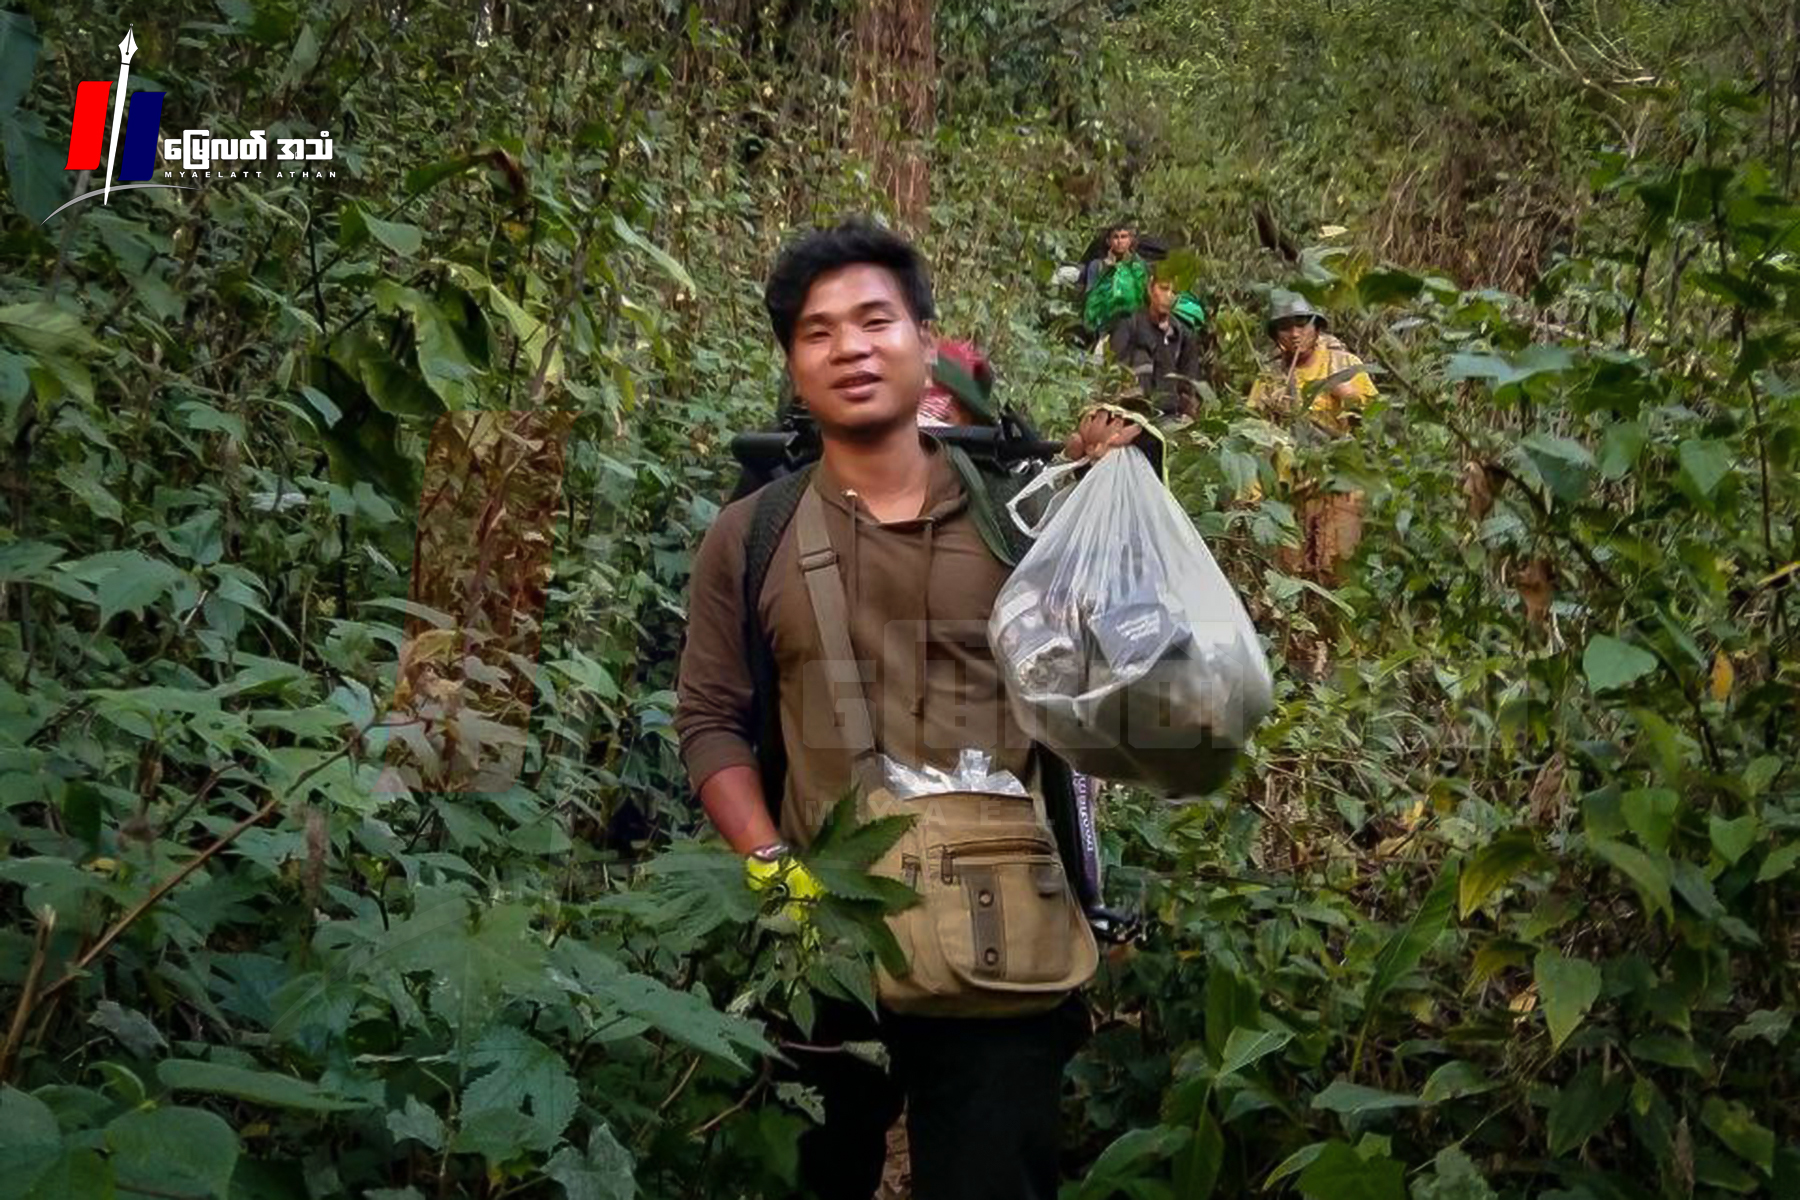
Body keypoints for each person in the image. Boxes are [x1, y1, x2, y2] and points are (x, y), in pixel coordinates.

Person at [674, 219, 1147, 1200]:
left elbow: (1143, 675)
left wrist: (1125, 491)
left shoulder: (1028, 517)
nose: (849, 346)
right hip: (825, 936)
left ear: (925, 341)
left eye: (875, 319)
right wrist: (775, 874)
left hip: (1001, 945)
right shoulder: (749, 536)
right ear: (794, 365)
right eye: (817, 330)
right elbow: (711, 719)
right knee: (816, 1176)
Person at [1247, 290, 1377, 585]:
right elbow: (1251, 438)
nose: (1294, 334)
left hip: (1339, 486)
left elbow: (1378, 421)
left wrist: (1347, 396)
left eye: (1302, 324)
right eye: (1285, 326)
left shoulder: (1342, 364)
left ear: (1317, 326)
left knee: (1337, 569)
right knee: (1290, 575)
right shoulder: (1270, 378)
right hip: (1290, 491)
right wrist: (1251, 495)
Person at [1109, 272, 1203, 420]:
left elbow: (1190, 383)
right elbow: (1113, 370)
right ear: (1150, 288)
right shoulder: (1130, 325)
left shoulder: (1182, 335)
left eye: (1174, 292)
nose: (1169, 296)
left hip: (1169, 416)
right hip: (1132, 414)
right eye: (1164, 289)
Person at [1080, 222, 1148, 338]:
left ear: (1130, 240)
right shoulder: (1097, 266)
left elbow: (1143, 294)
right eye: (1115, 237)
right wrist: (1108, 271)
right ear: (1108, 241)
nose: (1120, 241)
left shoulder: (1139, 266)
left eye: (1124, 237)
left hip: (1134, 324)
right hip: (1104, 325)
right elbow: (1090, 297)